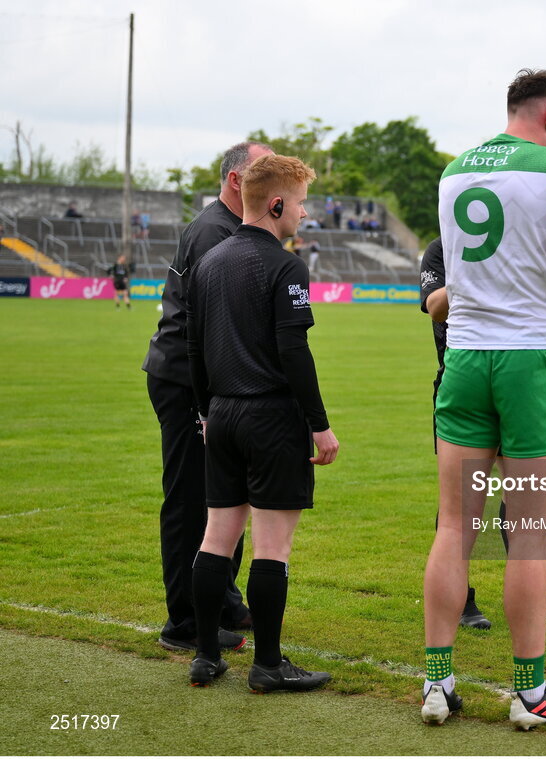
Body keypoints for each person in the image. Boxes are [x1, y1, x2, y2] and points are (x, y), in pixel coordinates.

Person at [422, 69, 546, 729]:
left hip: (466, 358)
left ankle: (438, 682)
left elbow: (452, 276)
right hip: (530, 363)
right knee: (529, 534)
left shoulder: (454, 169)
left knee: (453, 528)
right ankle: (529, 692)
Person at [185, 154, 339, 691]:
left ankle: (205, 657)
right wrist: (319, 424)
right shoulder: (285, 265)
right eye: (299, 204)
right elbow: (293, 350)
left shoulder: (209, 262)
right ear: (276, 204)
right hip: (271, 416)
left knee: (216, 537)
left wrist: (205, 411)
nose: (302, 215)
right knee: (273, 545)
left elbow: (193, 347)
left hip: (222, 414)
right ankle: (269, 666)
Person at [142, 141, 273, 654]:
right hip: (187, 385)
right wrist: (210, 405)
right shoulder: (215, 231)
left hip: (211, 385)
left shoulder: (227, 229)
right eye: (266, 172)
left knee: (226, 496)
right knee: (191, 501)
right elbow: (210, 329)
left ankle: (221, 599)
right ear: (239, 181)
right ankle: (183, 620)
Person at [420, 236, 546, 631]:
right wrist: (475, 276)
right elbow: (434, 307)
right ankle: (464, 600)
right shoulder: (441, 248)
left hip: (522, 379)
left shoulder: (518, 238)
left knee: (526, 500)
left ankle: (535, 592)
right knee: (459, 506)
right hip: (463, 377)